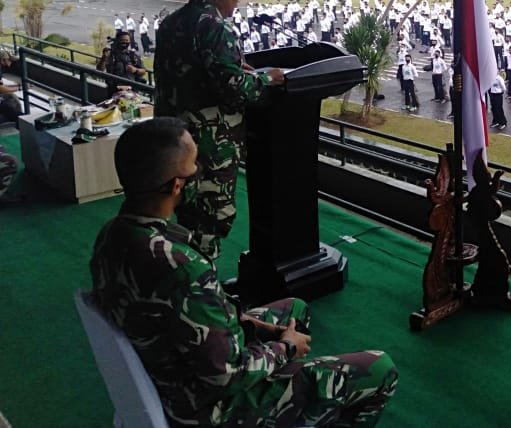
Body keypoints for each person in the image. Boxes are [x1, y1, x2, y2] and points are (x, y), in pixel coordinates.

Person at [90, 118, 397, 426]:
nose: (201, 169)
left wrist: (255, 326)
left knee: (295, 308)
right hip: (208, 408)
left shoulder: (112, 235)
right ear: (177, 185)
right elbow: (226, 375)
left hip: (172, 367)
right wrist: (284, 347)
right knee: (380, 368)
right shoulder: (181, 268)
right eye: (195, 164)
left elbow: (191, 320)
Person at [154, 0, 286, 260]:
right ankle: (202, 290)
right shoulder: (214, 27)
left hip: (175, 138)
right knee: (211, 219)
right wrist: (269, 78)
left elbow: (194, 74)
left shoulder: (171, 23)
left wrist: (241, 71)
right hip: (209, 145)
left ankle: (186, 275)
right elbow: (235, 90)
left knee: (186, 210)